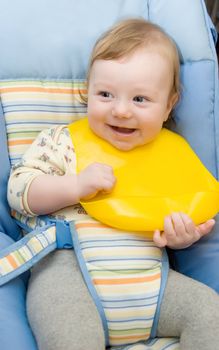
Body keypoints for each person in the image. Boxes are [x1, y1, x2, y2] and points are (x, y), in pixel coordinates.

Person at [7, 18, 219, 350]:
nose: (120, 110)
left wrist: (182, 237)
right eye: (105, 94)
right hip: (71, 278)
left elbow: (181, 218)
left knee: (210, 314)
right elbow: (19, 191)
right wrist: (74, 185)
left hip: (153, 288)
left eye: (140, 100)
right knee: (69, 333)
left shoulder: (172, 157)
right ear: (88, 90)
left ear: (169, 105)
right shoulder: (64, 142)